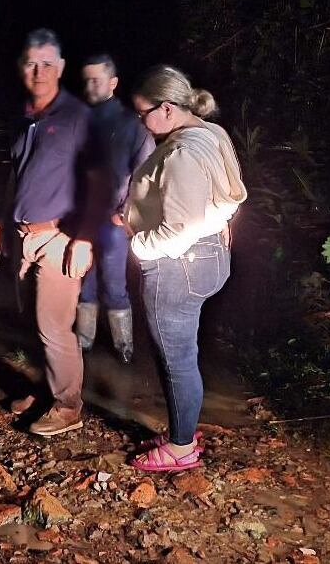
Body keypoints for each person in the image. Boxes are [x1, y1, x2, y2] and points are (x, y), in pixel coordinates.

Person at [123, 66, 245, 472]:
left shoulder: (181, 153)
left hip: (179, 266)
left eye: (144, 114)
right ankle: (183, 429)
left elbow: (178, 229)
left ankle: (180, 447)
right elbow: (229, 194)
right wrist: (220, 220)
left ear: (168, 108)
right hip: (209, 256)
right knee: (182, 354)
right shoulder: (212, 134)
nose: (141, 122)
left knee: (176, 358)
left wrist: (139, 246)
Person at [0, 28, 97, 437]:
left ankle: (69, 405)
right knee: (35, 321)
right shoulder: (27, 119)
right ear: (22, 67)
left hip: (60, 237)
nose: (38, 71)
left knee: (54, 324)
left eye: (47, 64)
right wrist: (2, 220)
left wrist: (85, 238)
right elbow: (16, 176)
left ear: (62, 68)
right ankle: (47, 389)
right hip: (23, 234)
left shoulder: (77, 118)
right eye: (31, 63)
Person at [75, 54, 155, 364]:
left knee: (114, 283)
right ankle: (84, 341)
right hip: (81, 218)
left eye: (96, 79)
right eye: (86, 80)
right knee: (85, 280)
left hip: (112, 221)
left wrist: (124, 213)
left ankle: (124, 345)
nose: (90, 85)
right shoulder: (80, 119)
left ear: (113, 83)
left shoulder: (131, 126)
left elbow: (145, 175)